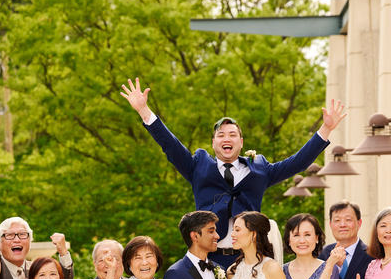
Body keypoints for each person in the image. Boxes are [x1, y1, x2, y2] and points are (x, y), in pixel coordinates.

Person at [120, 77, 347, 268]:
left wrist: (325, 128)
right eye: (221, 135)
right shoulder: (197, 166)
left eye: (231, 134)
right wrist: (144, 110)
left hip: (249, 259)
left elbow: (297, 162)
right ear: (213, 142)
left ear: (241, 142)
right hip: (209, 258)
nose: (226, 138)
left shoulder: (260, 170)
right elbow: (170, 145)